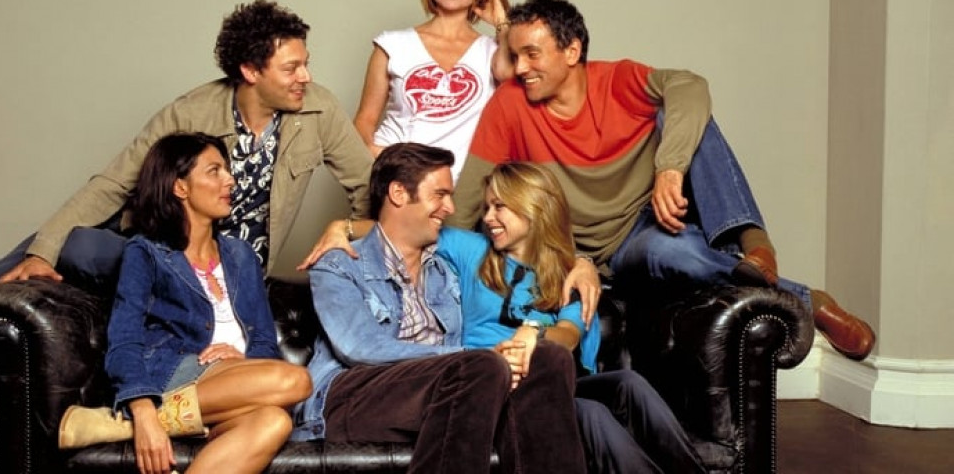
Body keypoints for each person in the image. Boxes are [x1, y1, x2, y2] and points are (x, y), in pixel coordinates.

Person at [0, 0, 372, 463]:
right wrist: (43, 251)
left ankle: (103, 421)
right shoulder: (193, 112)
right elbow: (113, 185)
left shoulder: (318, 111)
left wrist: (345, 228)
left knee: (271, 416)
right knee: (19, 271)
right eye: (292, 67)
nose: (306, 77)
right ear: (250, 70)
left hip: (227, 267)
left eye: (306, 64)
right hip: (163, 248)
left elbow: (370, 188)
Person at [450, 0, 875, 362]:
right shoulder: (509, 104)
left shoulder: (616, 81)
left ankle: (755, 244)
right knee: (683, 241)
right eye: (515, 56)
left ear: (572, 51)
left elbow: (691, 86)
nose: (519, 68)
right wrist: (431, 263)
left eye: (531, 54)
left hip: (638, 233)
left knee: (686, 121)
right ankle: (806, 300)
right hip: (572, 251)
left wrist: (669, 167)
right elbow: (469, 194)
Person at [293, 143, 586, 474]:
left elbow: (537, 254)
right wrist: (478, 357)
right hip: (353, 396)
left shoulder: (447, 270)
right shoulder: (339, 264)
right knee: (483, 367)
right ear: (399, 193)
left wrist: (584, 263)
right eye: (441, 195)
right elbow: (359, 347)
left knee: (549, 357)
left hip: (446, 392)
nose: (451, 208)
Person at [58, 132, 312, 474]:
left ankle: (122, 424)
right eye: (214, 171)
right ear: (180, 187)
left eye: (227, 170)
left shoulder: (241, 256)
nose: (229, 180)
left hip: (236, 383)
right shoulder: (146, 252)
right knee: (296, 381)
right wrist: (143, 410)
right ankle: (142, 416)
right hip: (174, 373)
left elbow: (264, 340)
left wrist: (244, 360)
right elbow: (124, 339)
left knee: (275, 421)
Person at [437, 162, 705, 473]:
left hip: (556, 380)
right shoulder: (472, 250)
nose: (487, 218)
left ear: (533, 206)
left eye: (499, 206)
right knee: (592, 414)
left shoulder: (568, 276)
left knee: (629, 382)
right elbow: (405, 228)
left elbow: (569, 335)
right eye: (486, 207)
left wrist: (535, 332)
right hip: (499, 382)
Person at [353, 0, 512, 180]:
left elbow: (510, 79)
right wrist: (380, 160)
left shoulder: (495, 52)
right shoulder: (392, 45)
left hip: (459, 190)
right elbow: (364, 121)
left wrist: (503, 23)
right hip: (395, 184)